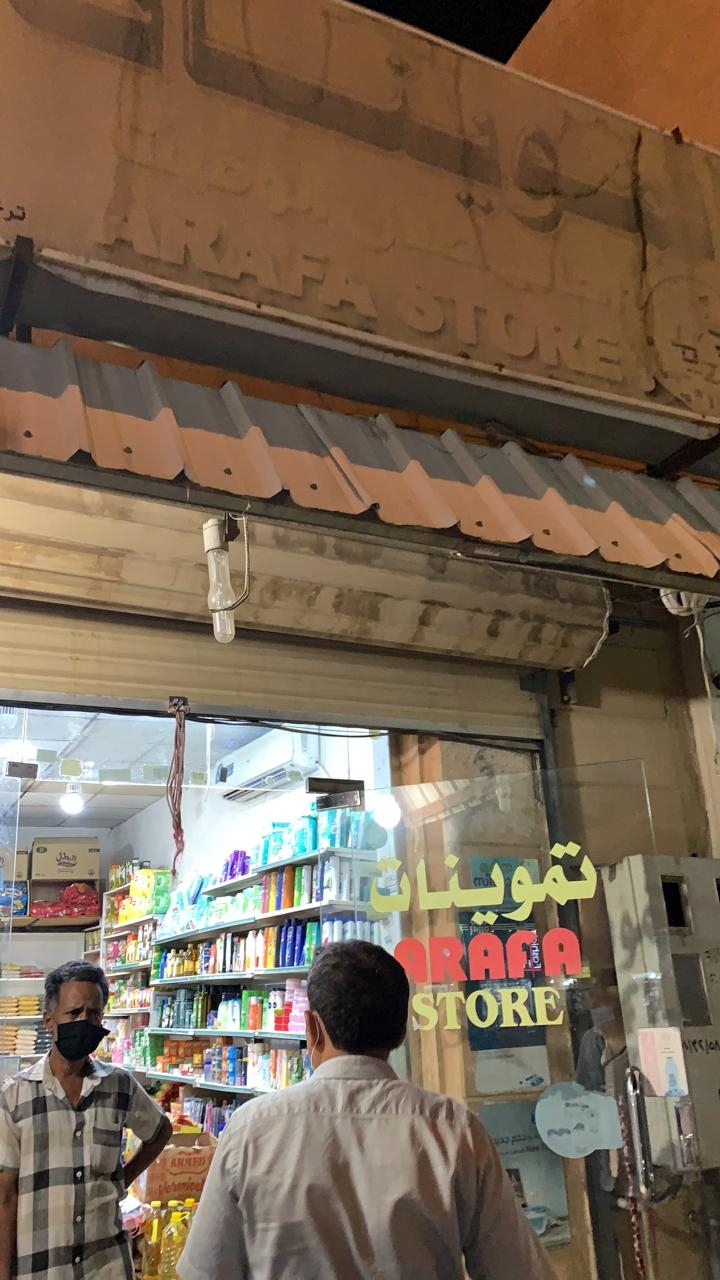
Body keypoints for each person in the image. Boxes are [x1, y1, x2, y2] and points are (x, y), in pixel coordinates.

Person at [178, 940, 555, 1280]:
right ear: (401, 1031)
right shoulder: (454, 1130)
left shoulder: (251, 1130)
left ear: (313, 1028)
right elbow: (518, 1268)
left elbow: (206, 1269)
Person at [0, 959, 172, 1280]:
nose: (84, 1021)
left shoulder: (119, 1085)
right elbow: (5, 1196)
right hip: (42, 1268)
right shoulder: (14, 1097)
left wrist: (125, 1177)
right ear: (49, 1021)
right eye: (74, 1013)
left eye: (94, 1014)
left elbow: (161, 1130)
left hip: (107, 1266)